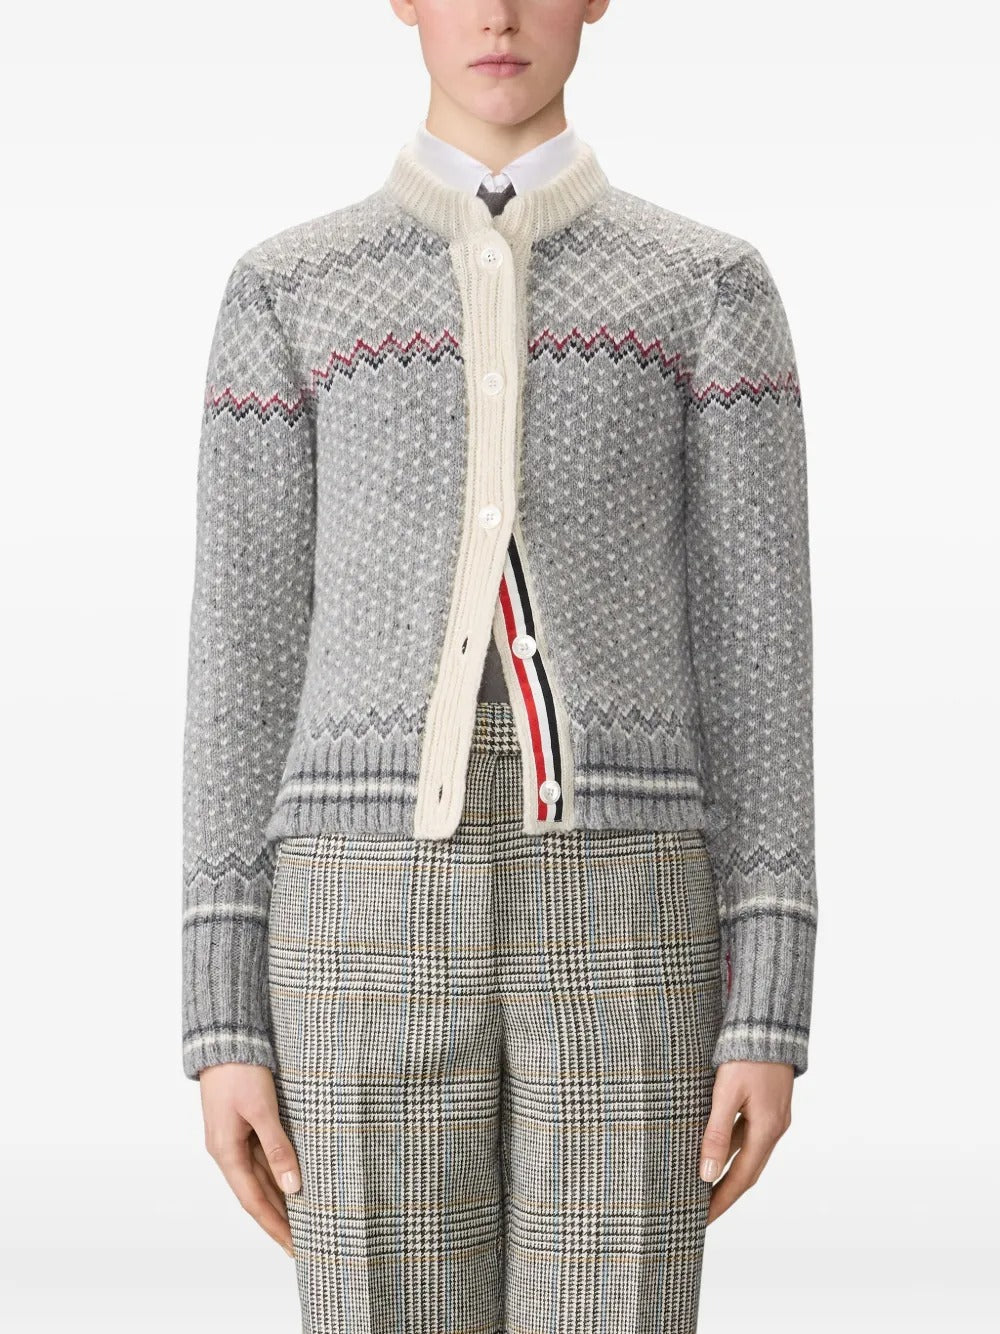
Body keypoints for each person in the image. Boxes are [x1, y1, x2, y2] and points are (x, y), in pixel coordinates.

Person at [180, 2, 818, 1330]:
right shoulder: (288, 291)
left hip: (630, 902)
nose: (498, 12)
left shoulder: (707, 290)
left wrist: (769, 997)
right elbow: (242, 656)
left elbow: (759, 653)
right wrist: (221, 1015)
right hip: (354, 907)